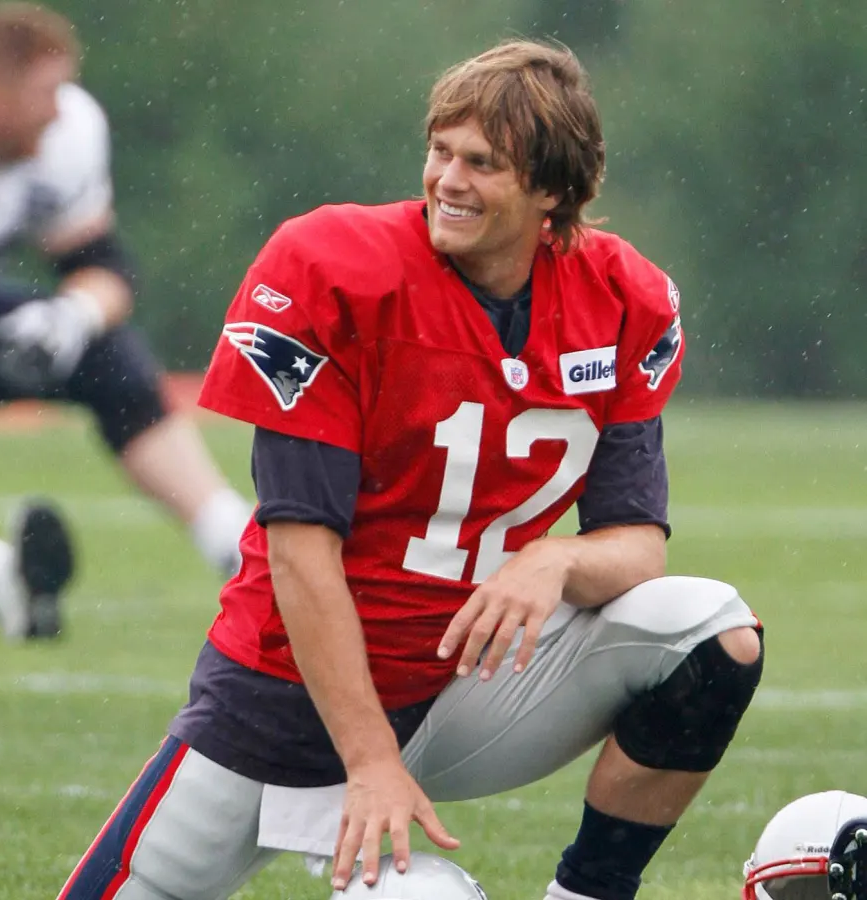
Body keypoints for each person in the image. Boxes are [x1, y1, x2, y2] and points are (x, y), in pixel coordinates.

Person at [55, 39, 765, 900]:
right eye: (441, 151)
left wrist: (555, 558)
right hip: (286, 707)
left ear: (553, 191)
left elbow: (636, 549)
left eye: (483, 164)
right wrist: (369, 761)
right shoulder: (334, 268)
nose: (448, 180)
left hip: (468, 683)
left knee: (710, 631)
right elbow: (298, 553)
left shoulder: (621, 297)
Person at [0, 3, 252, 639]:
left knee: (105, 353)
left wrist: (71, 315)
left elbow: (102, 263)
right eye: (43, 90)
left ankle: (237, 544)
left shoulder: (61, 138)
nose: (56, 109)